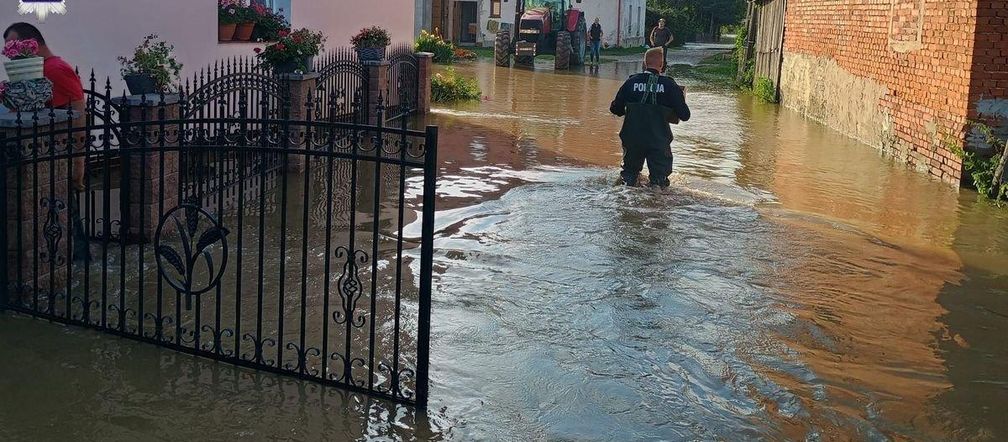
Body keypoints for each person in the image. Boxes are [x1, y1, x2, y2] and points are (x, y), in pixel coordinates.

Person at [4, 23, 86, 192]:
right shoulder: (37, 70)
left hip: (56, 163)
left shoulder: (54, 70)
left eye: (13, 47)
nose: (11, 56)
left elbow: (78, 119)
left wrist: (77, 168)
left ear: (30, 44)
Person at [609, 47, 690, 188]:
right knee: (659, 182)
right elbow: (685, 115)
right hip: (658, 141)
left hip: (633, 139)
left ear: (644, 63)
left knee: (628, 178)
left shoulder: (631, 82)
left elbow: (615, 109)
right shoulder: (670, 85)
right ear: (662, 64)